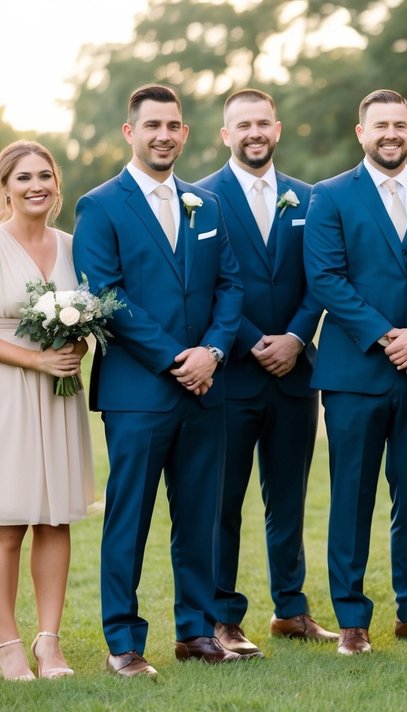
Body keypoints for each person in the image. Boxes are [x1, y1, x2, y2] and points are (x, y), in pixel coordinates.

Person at [74, 84, 247, 676]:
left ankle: (196, 632)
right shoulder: (100, 205)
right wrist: (178, 360)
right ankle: (123, 643)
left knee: (199, 516)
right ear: (131, 132)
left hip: (207, 388)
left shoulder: (207, 204)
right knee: (130, 518)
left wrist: (214, 352)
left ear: (185, 133)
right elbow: (107, 296)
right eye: (152, 125)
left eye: (173, 126)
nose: (164, 135)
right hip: (139, 393)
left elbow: (230, 287)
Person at [304, 89, 407, 656]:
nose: (390, 133)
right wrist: (388, 336)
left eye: (399, 124)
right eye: (380, 125)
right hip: (355, 373)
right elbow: (325, 278)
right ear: (361, 133)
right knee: (352, 497)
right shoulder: (329, 196)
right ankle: (352, 620)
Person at [197, 88, 337, 654]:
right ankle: (223, 617)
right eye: (242, 125)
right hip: (231, 374)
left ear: (277, 129)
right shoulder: (200, 199)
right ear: (225, 135)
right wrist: (254, 341)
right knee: (223, 502)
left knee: (289, 498)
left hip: (295, 373)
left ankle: (291, 609)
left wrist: (296, 337)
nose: (254, 133)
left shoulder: (310, 198)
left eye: (262, 123)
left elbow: (320, 277)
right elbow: (205, 283)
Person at [0, 141, 93, 681]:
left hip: (59, 394)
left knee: (54, 518)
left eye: (44, 176)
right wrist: (37, 360)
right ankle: (8, 643)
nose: (36, 185)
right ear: (6, 188)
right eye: (23, 177)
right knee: (7, 522)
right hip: (9, 392)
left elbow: (91, 316)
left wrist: (77, 345)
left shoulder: (74, 247)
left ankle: (49, 643)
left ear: (56, 184)